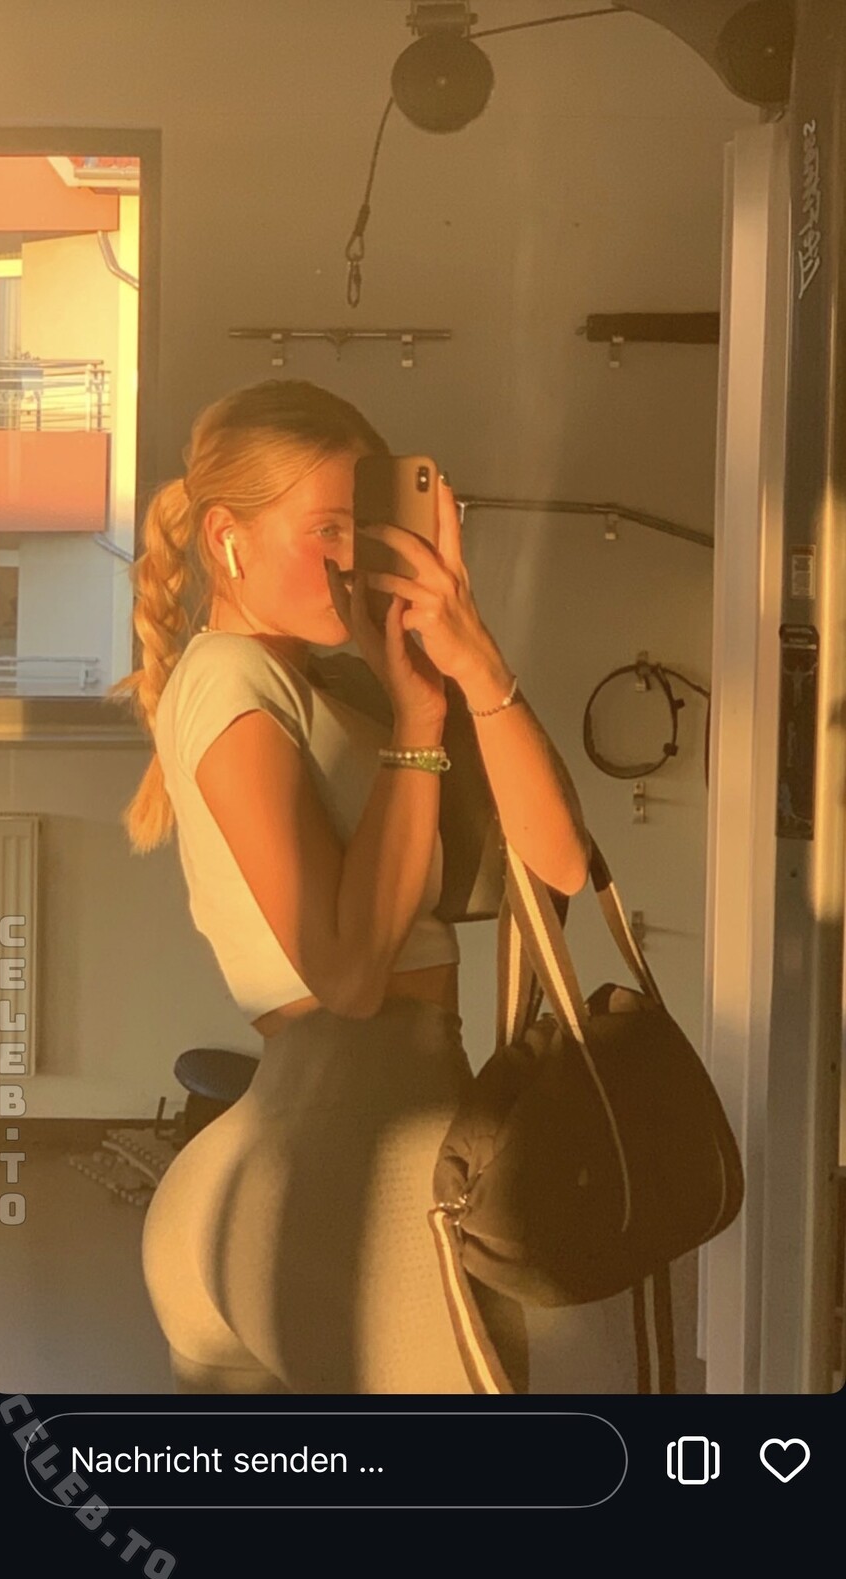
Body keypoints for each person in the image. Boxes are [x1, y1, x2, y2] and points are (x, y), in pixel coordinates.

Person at [109, 378, 590, 1395]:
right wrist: (416, 730)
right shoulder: (228, 675)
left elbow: (556, 866)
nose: (348, 558)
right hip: (367, 1144)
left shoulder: (341, 686)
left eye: (363, 530)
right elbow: (347, 977)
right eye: (324, 529)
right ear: (228, 541)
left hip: (287, 1154)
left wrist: (470, 660)